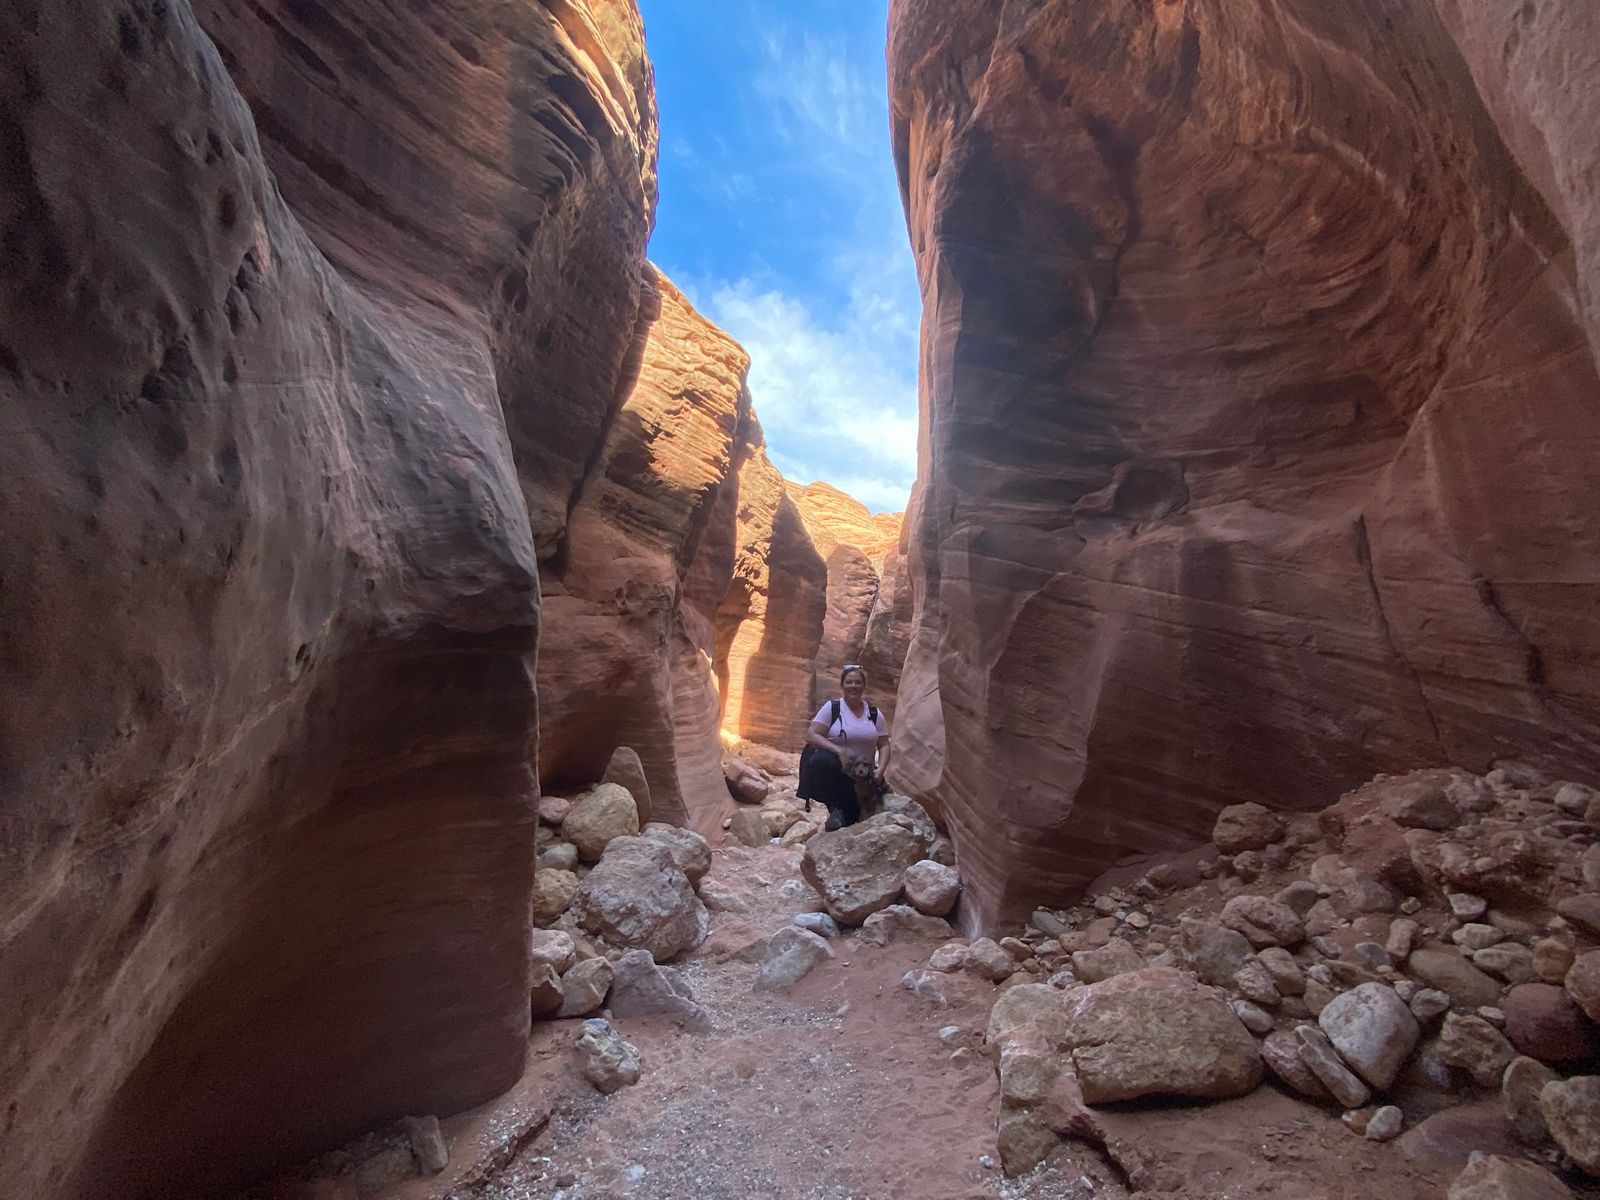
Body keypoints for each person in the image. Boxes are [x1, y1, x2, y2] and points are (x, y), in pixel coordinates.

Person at [797, 664, 891, 831]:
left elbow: (884, 745)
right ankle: (836, 809)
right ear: (842, 685)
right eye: (849, 682)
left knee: (852, 817)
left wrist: (881, 769)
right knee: (820, 760)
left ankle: (842, 814)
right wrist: (838, 750)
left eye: (857, 682)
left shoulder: (874, 714)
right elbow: (812, 735)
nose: (853, 686)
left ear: (863, 686)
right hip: (837, 773)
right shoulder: (832, 708)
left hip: (863, 776)